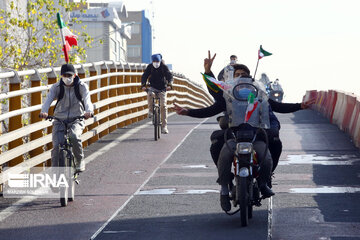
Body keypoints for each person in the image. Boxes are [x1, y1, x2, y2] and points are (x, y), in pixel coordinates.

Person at [174, 51, 275, 212]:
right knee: (223, 154)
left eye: (243, 75)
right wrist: (207, 72)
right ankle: (224, 188)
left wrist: (300, 106)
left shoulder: (258, 95)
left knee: (266, 156)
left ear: (250, 79)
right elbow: (213, 98)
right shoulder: (228, 96)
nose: (240, 77)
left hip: (254, 137)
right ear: (232, 78)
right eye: (237, 75)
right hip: (235, 136)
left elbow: (276, 107)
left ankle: (263, 184)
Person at [39, 63, 93, 172]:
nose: (67, 78)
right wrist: (43, 111)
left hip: (77, 118)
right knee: (57, 146)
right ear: (61, 76)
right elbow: (48, 100)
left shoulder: (82, 86)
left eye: (69, 76)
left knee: (74, 136)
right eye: (64, 76)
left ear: (75, 75)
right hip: (59, 119)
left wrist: (89, 111)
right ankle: (54, 174)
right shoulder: (56, 87)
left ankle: (79, 160)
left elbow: (87, 100)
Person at [141, 54, 173, 134]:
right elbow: (144, 76)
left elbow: (170, 76)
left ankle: (164, 127)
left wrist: (169, 85)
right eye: (154, 61)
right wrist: (143, 85)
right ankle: (151, 111)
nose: (156, 63)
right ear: (152, 61)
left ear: (160, 61)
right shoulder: (150, 67)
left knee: (163, 106)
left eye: (157, 61)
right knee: (150, 94)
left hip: (162, 88)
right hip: (153, 87)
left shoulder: (163, 67)